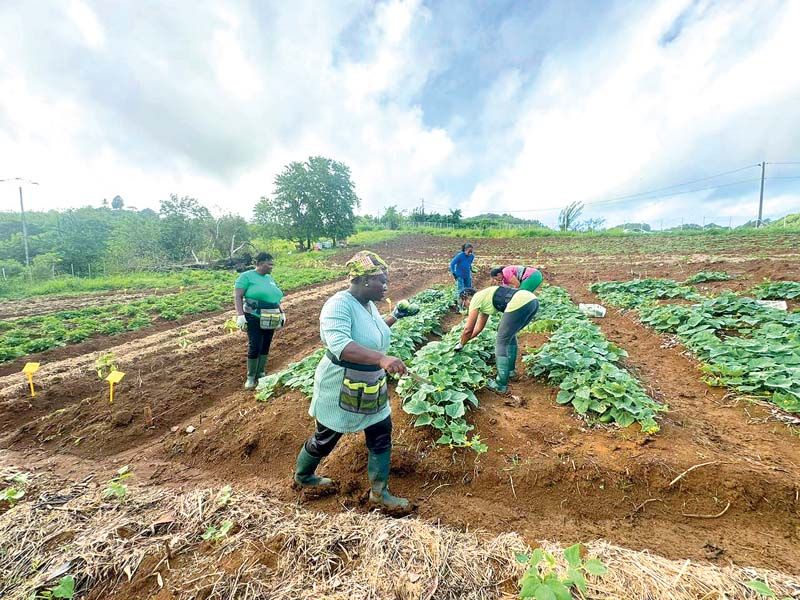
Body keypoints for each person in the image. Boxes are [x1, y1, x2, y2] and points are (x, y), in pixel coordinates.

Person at [293, 251, 419, 511]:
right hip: (340, 383)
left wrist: (395, 316)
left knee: (381, 431)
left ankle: (379, 493)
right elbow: (342, 346)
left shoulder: (367, 305)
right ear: (363, 281)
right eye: (381, 281)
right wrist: (382, 359)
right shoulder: (338, 305)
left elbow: (369, 333)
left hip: (369, 382)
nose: (386, 286)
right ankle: (304, 477)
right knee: (326, 437)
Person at [455, 285, 539, 393]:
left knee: (501, 341)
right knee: (509, 334)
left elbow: (468, 329)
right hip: (532, 301)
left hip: (521, 302)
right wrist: (464, 341)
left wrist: (461, 344)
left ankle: (501, 385)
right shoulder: (483, 300)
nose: (466, 308)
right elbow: (478, 328)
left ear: (466, 298)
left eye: (464, 304)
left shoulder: (475, 298)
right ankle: (511, 372)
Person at [233, 252, 285, 390]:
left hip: (271, 316)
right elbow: (237, 296)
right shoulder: (246, 277)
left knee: (266, 344)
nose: (271, 267)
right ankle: (251, 377)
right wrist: (240, 315)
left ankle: (261, 373)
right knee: (255, 344)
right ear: (260, 263)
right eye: (269, 264)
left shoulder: (269, 278)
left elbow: (274, 298)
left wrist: (282, 312)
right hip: (254, 316)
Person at [449, 243, 475, 309]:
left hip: (467, 275)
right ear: (465, 250)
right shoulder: (460, 256)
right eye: (469, 251)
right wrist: (453, 273)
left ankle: (468, 304)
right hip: (459, 275)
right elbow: (452, 264)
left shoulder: (472, 256)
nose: (470, 253)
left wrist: (471, 269)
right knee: (461, 290)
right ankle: (460, 305)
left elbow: (469, 264)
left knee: (469, 289)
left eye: (471, 251)